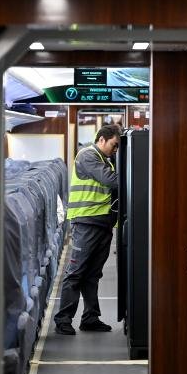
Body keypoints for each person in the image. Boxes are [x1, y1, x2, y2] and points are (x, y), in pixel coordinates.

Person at [54, 123, 122, 335]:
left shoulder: (105, 159)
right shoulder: (88, 156)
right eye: (114, 145)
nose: (115, 150)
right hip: (86, 222)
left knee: (93, 275)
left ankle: (90, 318)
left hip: (102, 223)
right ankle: (63, 319)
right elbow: (111, 181)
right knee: (76, 273)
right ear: (101, 139)